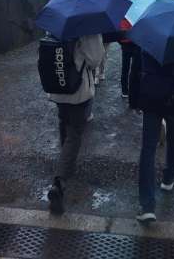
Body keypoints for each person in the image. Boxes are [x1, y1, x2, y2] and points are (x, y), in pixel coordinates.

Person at [129, 52, 174, 223]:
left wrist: (134, 100)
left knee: (148, 149)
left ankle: (147, 205)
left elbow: (136, 67)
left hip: (150, 98)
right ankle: (169, 178)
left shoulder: (148, 37)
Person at [47, 34, 105, 214]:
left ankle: (66, 164)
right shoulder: (88, 29)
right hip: (77, 90)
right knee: (74, 134)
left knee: (64, 123)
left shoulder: (55, 26)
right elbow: (95, 60)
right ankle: (59, 181)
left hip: (57, 86)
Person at [119, 18, 141, 98]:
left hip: (125, 44)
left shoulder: (122, 16)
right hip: (135, 43)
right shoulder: (136, 16)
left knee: (125, 68)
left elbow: (118, 33)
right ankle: (133, 89)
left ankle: (124, 90)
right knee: (135, 69)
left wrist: (121, 42)